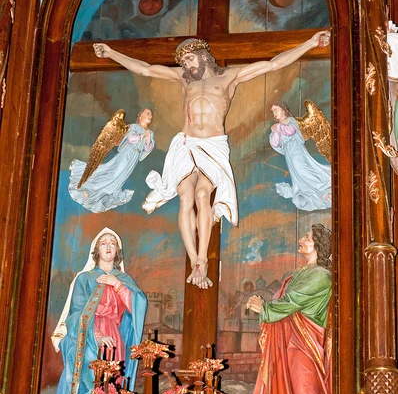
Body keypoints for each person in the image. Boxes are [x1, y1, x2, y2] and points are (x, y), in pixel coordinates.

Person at [93, 32, 330, 288]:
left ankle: (203, 259)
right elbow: (147, 69)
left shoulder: (229, 76)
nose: (187, 65)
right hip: (185, 143)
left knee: (203, 195)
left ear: (204, 56)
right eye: (183, 62)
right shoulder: (184, 80)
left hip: (213, 145)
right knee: (185, 197)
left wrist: (310, 43)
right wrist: (110, 52)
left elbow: (274, 64)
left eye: (191, 59)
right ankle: (194, 258)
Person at [42, 228, 147, 394]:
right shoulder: (85, 278)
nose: (108, 246)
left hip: (115, 343)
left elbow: (137, 305)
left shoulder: (124, 280)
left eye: (112, 243)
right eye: (103, 243)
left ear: (118, 252)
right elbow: (75, 314)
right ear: (96, 250)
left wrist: (116, 285)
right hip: (90, 342)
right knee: (88, 393)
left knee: (111, 393)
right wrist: (96, 335)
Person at [246, 224, 332, 394]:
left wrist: (264, 308)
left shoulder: (321, 276)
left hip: (306, 347)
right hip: (288, 346)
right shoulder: (295, 275)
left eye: (308, 238)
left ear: (319, 247)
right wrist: (262, 304)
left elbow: (292, 303)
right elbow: (282, 304)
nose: (302, 239)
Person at [69, 108, 154, 213]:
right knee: (112, 173)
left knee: (119, 179)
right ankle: (88, 189)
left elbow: (148, 149)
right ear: (140, 116)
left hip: (134, 158)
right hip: (126, 154)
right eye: (148, 113)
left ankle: (98, 196)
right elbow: (131, 139)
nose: (150, 116)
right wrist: (142, 135)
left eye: (151, 114)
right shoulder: (134, 127)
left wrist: (148, 138)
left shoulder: (149, 133)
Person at [269, 101, 331, 211]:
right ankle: (315, 193)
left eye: (276, 110)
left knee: (302, 170)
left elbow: (291, 130)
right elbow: (274, 143)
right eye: (272, 111)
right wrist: (275, 130)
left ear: (283, 110)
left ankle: (322, 190)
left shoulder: (290, 121)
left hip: (296, 150)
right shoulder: (276, 127)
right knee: (297, 175)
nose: (274, 113)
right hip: (288, 153)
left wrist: (278, 127)